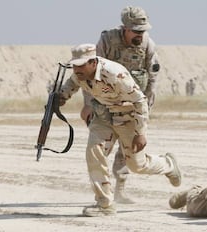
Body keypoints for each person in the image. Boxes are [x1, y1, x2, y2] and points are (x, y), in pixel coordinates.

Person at [60, 44, 181, 216]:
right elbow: (71, 83)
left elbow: (140, 101)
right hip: (103, 117)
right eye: (75, 65)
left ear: (93, 62)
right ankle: (105, 204)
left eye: (81, 65)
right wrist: (62, 96)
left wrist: (140, 133)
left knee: (137, 165)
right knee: (94, 152)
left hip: (128, 118)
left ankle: (168, 165)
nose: (77, 69)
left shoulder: (115, 73)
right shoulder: (80, 73)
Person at [80, 6, 161, 204]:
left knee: (129, 152)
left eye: (143, 31)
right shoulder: (108, 41)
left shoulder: (148, 46)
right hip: (105, 104)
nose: (140, 35)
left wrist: (144, 113)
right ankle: (103, 196)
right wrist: (88, 103)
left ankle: (120, 189)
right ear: (125, 28)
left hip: (133, 105)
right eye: (136, 31)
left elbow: (152, 80)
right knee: (100, 147)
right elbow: (89, 72)